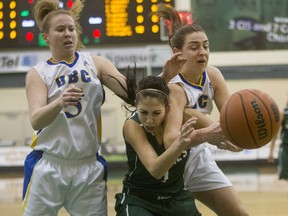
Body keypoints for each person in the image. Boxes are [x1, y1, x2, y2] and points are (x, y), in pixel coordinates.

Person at [22, 1, 187, 215]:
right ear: (46, 37)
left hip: (88, 167)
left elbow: (136, 97)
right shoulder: (38, 73)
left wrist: (165, 76)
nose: (67, 34)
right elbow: (36, 120)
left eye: (71, 29)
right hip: (48, 164)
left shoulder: (95, 63)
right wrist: (59, 103)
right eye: (60, 29)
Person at [155, 4, 249, 216]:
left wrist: (242, 133)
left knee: (238, 213)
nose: (203, 52)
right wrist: (210, 133)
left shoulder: (213, 76)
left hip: (197, 156)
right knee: (191, 114)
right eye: (195, 47)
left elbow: (231, 117)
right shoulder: (170, 84)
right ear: (177, 53)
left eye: (205, 46)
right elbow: (171, 139)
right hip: (166, 160)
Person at [114, 67, 235, 215]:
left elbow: (227, 135)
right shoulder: (132, 126)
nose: (149, 120)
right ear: (137, 108)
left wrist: (238, 141)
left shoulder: (187, 116)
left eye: (156, 113)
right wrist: (181, 143)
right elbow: (156, 170)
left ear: (167, 108)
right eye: (143, 112)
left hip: (177, 199)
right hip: (140, 200)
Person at [268, 99, 288, 180]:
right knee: (285, 176)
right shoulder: (283, 113)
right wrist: (271, 152)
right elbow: (275, 135)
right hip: (285, 149)